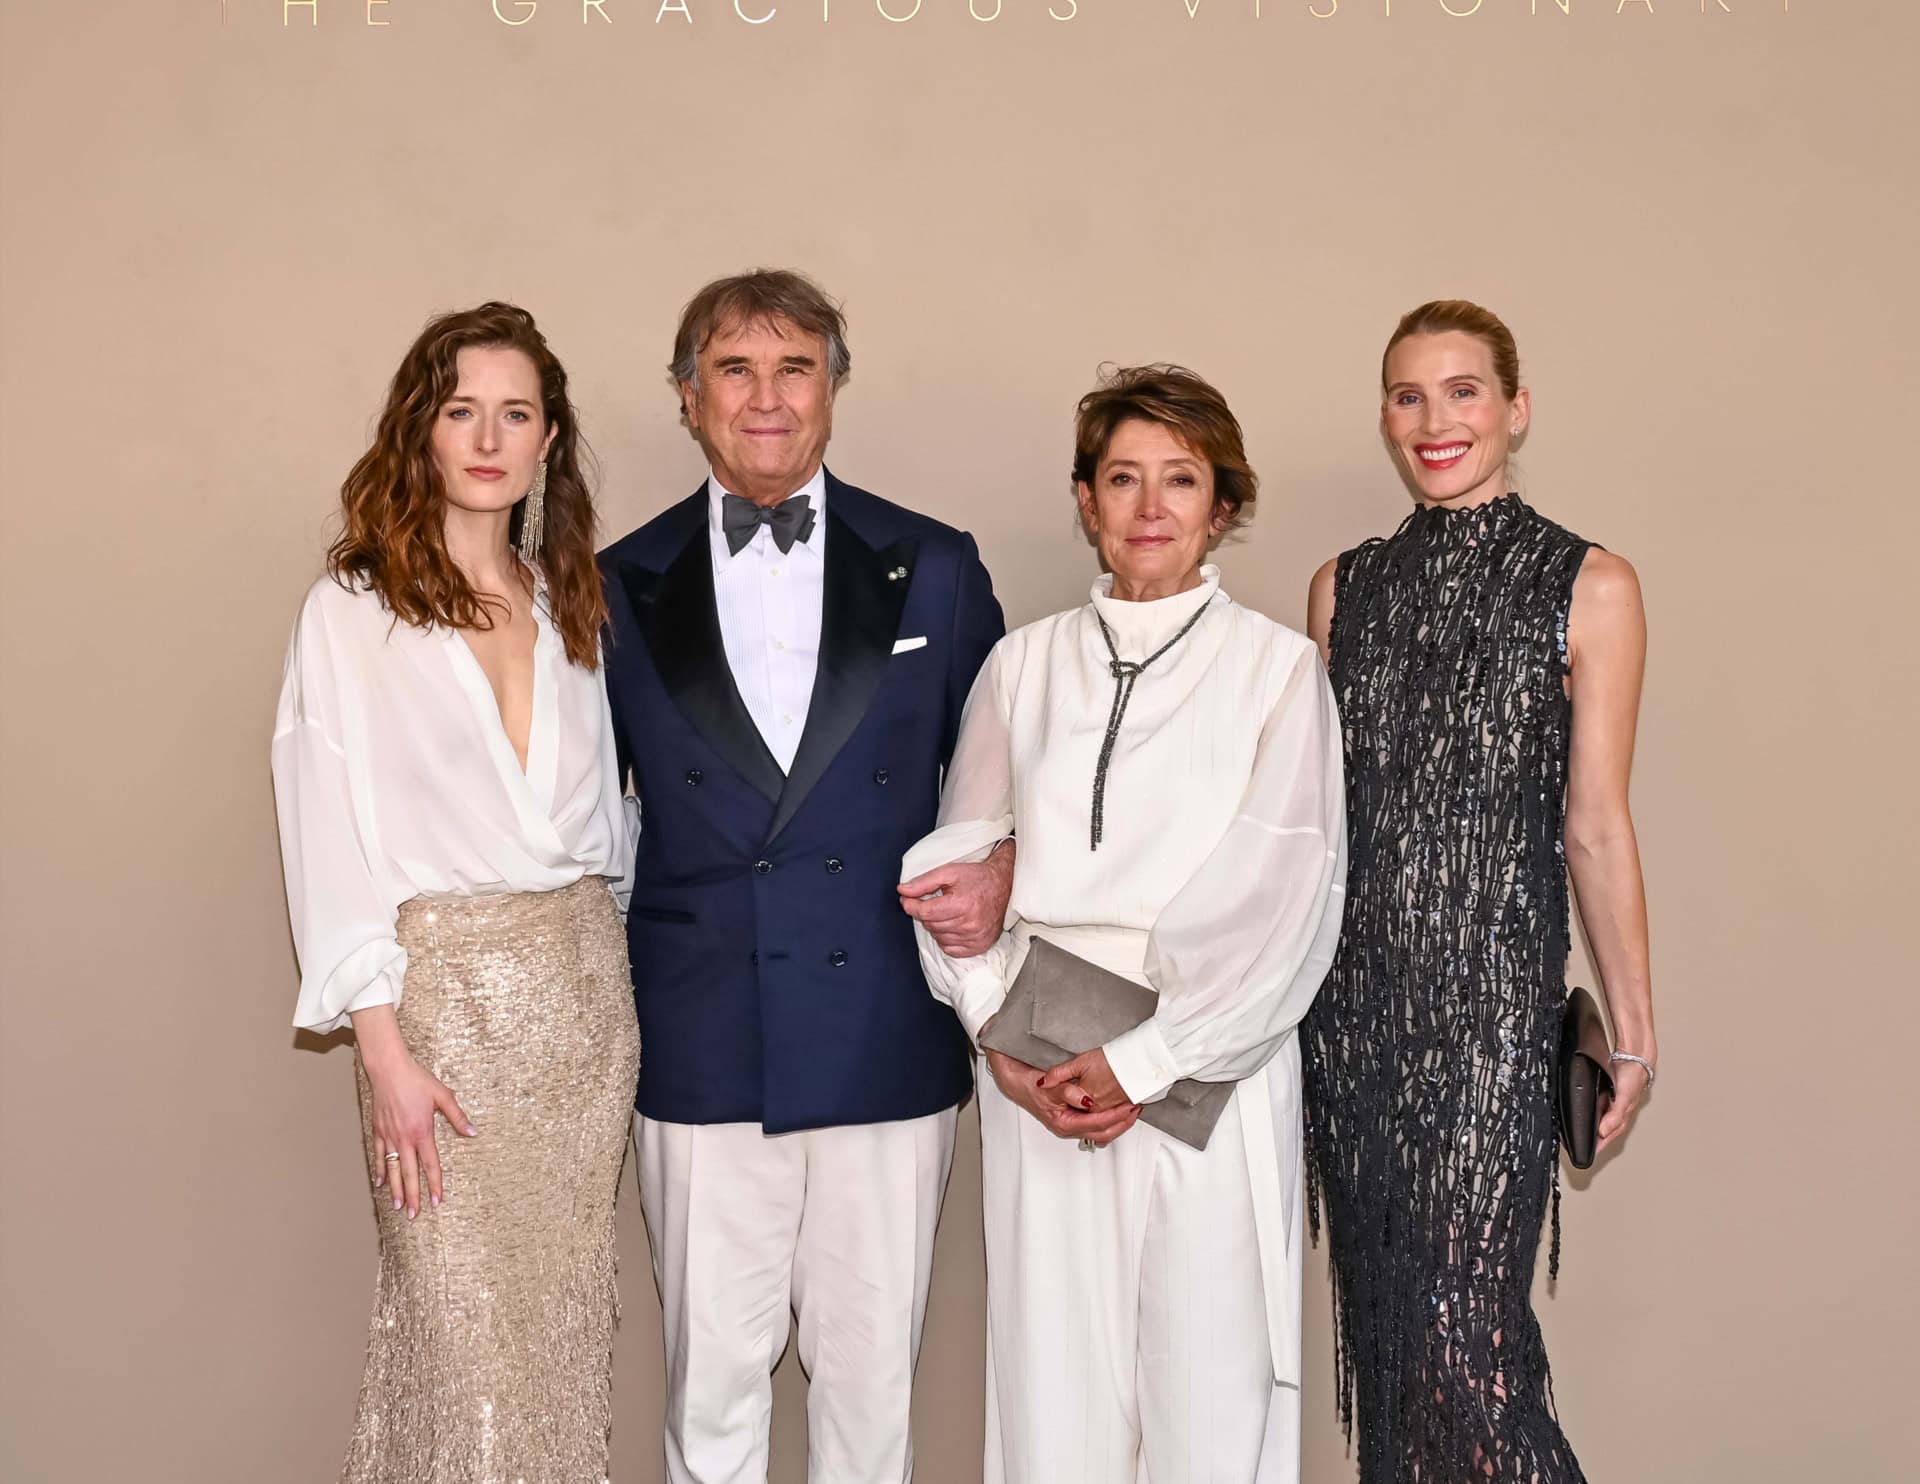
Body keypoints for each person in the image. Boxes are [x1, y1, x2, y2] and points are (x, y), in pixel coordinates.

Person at [598, 268, 1009, 1484]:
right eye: (735, 368)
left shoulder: (935, 563)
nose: (766, 397)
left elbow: (1003, 783)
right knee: (711, 1386)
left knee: (871, 1390)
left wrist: (1003, 865)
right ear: (688, 396)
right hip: (699, 1028)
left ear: (834, 387)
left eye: (795, 367)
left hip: (882, 1022)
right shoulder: (611, 583)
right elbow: (580, 815)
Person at [903, 364, 1347, 1484]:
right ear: (1086, 499)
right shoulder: (1023, 663)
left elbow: (1289, 902)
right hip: (1043, 1075)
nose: (1151, 507)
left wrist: (1147, 1061)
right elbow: (957, 869)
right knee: (1053, 1397)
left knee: (1209, 1399)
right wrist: (995, 1034)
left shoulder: (1278, 670)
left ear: (1223, 505)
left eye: (1181, 479)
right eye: (1123, 478)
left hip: (1208, 1075)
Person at [271, 302, 640, 1482]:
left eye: (515, 413)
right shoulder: (353, 611)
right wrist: (383, 1050)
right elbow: (326, 834)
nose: (488, 437)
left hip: (585, 1018)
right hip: (440, 1021)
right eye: (461, 408)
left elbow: (613, 830)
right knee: (461, 1349)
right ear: (419, 428)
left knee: (557, 1352)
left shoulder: (572, 602)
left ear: (548, 440)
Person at [1299, 300, 1657, 1482]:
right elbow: (1317, 830)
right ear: (1386, 417)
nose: (1435, 419)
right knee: (1398, 1359)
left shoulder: (1591, 584)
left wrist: (1634, 1030)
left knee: (1468, 1348)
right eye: (1409, 395)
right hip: (1352, 1024)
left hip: (1492, 1020)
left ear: (1516, 407)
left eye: (1462, 391)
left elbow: (1594, 822)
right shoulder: (1341, 589)